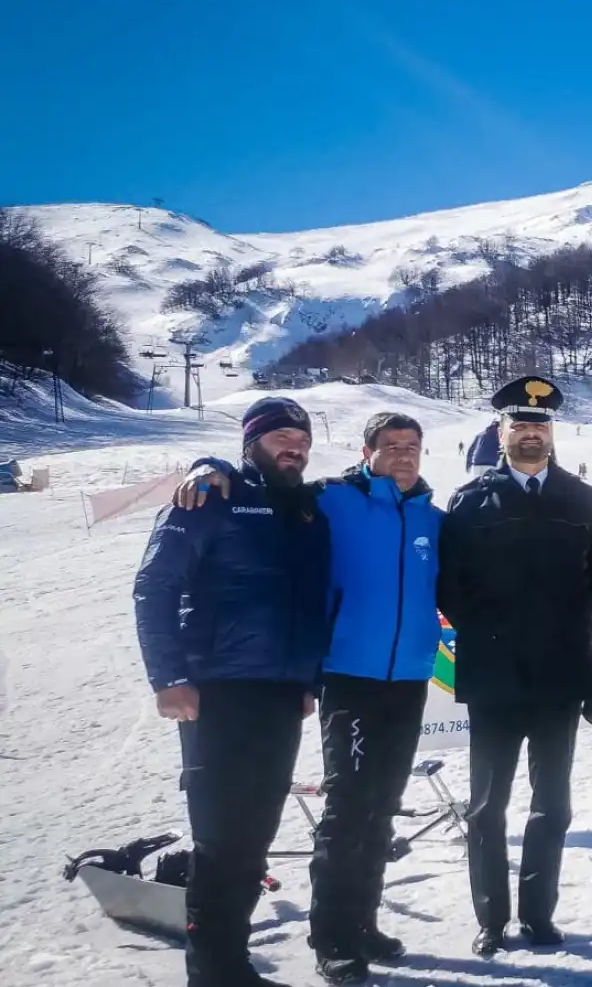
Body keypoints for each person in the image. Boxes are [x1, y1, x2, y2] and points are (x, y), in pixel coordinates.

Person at [172, 412, 444, 985]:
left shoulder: (432, 517)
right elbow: (264, 482)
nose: (403, 455)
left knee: (382, 807)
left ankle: (363, 922)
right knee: (349, 807)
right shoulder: (332, 499)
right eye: (390, 445)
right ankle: (333, 936)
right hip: (347, 676)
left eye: (412, 446)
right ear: (366, 452)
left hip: (410, 677)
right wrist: (210, 465)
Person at [132, 397, 332, 987]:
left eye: (302, 439)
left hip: (279, 696)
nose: (294, 448)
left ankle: (231, 964)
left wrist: (306, 681)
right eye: (281, 438)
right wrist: (168, 677)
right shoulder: (210, 496)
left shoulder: (306, 513)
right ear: (252, 443)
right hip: (216, 691)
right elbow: (153, 586)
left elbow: (309, 605)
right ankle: (211, 974)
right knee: (220, 839)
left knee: (256, 835)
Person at [439, 376, 592, 956]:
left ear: (551, 432)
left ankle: (538, 915)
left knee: (552, 804)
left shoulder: (581, 500)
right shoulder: (470, 501)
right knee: (487, 806)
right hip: (493, 677)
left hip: (560, 674)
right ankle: (492, 918)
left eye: (540, 425)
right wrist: (489, 632)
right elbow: (450, 587)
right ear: (501, 431)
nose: (531, 433)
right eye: (520, 424)